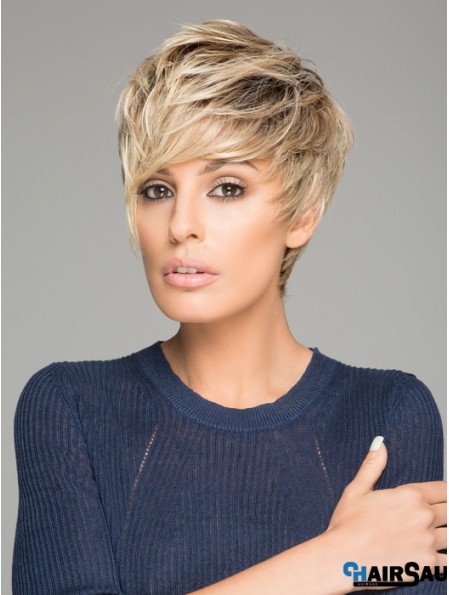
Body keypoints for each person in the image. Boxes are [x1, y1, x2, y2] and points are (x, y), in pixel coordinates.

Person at [13, 19, 446, 595]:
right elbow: (356, 567)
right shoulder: (69, 407)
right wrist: (339, 559)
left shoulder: (391, 414)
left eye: (226, 188)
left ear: (302, 215)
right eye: (157, 190)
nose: (180, 225)